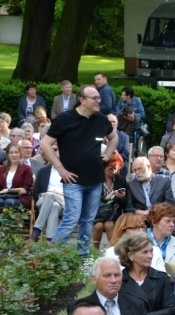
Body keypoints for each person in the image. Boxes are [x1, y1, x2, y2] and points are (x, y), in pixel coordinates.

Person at [41, 84, 118, 256]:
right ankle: (52, 257)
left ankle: (82, 257)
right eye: (95, 98)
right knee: (71, 218)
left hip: (95, 179)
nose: (99, 100)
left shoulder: (101, 119)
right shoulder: (64, 119)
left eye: (99, 97)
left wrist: (107, 153)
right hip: (73, 180)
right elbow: (45, 144)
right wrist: (60, 168)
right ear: (82, 100)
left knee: (88, 221)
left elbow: (114, 137)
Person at [115, 232, 175, 315]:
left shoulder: (161, 278)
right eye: (145, 252)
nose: (150, 256)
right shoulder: (118, 279)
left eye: (151, 251)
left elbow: (170, 310)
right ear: (131, 256)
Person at [147, 202, 175, 272]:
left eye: (173, 221)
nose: (172, 225)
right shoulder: (139, 242)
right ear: (154, 222)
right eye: (168, 221)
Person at [0, 142, 33, 209]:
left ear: (20, 154)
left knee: (9, 202)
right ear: (7, 155)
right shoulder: (2, 169)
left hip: (20, 198)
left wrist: (8, 190)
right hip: (2, 196)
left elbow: (24, 190)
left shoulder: (26, 169)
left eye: (16, 152)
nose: (14, 155)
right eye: (11, 153)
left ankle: (8, 219)